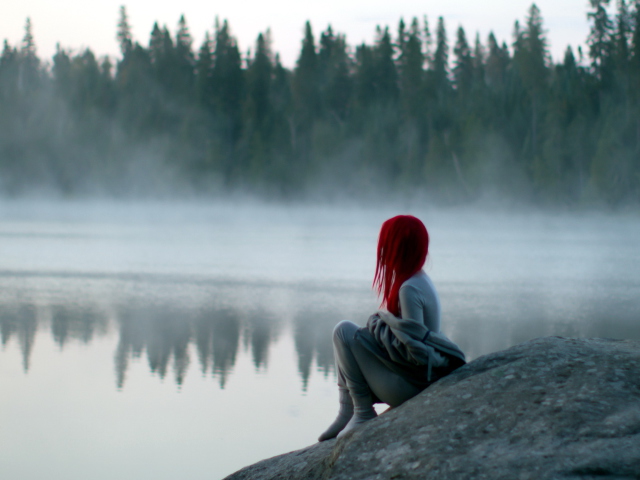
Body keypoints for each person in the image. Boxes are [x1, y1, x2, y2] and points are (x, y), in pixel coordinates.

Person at [318, 215, 465, 442]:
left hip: (411, 384)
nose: (382, 252)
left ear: (398, 249)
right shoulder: (419, 279)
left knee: (344, 331)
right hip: (414, 379)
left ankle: (362, 412)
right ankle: (347, 411)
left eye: (386, 245)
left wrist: (378, 327)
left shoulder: (409, 289)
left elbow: (413, 353)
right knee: (349, 334)